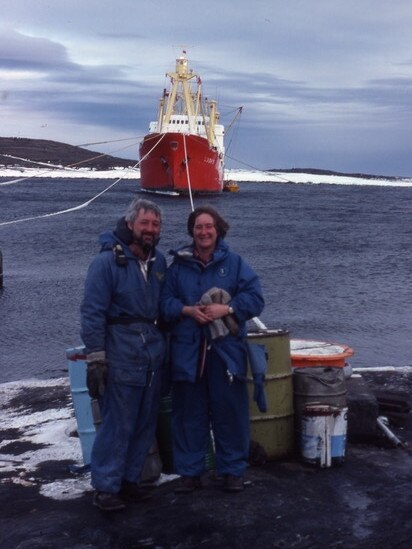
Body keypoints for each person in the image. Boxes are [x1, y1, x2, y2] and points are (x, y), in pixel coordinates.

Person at [160, 205, 264, 493]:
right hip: (188, 353)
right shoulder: (178, 267)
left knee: (229, 412)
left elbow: (255, 299)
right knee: (188, 415)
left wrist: (227, 308)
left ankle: (231, 471)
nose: (203, 232)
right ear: (191, 232)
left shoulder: (234, 263)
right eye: (198, 227)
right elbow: (163, 303)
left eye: (209, 227)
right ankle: (190, 473)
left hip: (225, 353)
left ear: (218, 230)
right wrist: (187, 310)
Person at [80, 198, 166, 511]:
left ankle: (130, 481)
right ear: (129, 224)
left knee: (144, 423)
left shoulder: (158, 264)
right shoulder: (105, 264)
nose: (150, 230)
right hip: (120, 355)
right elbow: (92, 313)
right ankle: (105, 487)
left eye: (155, 225)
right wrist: (96, 358)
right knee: (118, 424)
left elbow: (165, 309)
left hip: (151, 357)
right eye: (145, 223)